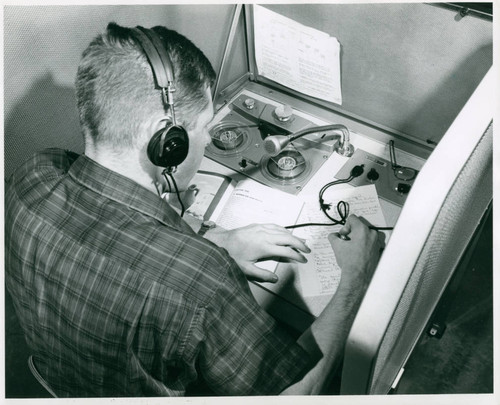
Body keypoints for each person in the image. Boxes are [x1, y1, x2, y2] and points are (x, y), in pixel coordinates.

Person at [5, 22, 383, 397]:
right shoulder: (201, 280)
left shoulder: (34, 175)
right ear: (165, 142)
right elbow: (293, 396)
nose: (206, 138)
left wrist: (215, 238)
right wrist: (356, 280)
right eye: (204, 127)